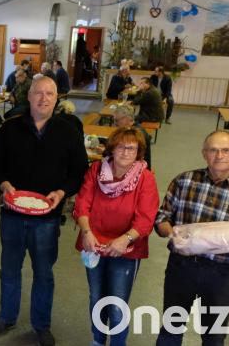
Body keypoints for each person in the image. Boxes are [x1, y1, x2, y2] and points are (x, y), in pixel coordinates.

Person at [0, 76, 88, 345]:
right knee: (9, 269)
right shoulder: (10, 128)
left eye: (49, 94)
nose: (43, 98)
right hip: (12, 215)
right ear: (28, 96)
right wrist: (4, 184)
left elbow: (80, 172)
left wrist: (62, 192)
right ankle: (7, 317)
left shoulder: (68, 131)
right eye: (38, 93)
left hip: (47, 219)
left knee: (43, 273)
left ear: (57, 98)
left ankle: (41, 325)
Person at [154, 130, 229, 346]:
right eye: (213, 150)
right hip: (182, 267)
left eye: (226, 150)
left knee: (214, 337)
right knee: (171, 328)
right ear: (204, 153)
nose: (219, 155)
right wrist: (170, 232)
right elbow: (162, 217)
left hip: (221, 274)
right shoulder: (184, 181)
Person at [74, 127, 159, 346]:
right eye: (121, 146)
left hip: (126, 249)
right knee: (96, 297)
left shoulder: (145, 178)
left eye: (132, 148)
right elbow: (82, 204)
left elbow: (146, 218)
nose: (126, 152)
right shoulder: (96, 170)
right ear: (112, 148)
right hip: (94, 244)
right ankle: (97, 340)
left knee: (117, 304)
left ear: (139, 152)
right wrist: (86, 232)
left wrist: (125, 239)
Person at [113, 104, 152, 169]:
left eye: (117, 120)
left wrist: (106, 152)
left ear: (126, 118)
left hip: (138, 169)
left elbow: (125, 155)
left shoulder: (136, 134)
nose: (115, 123)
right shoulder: (131, 128)